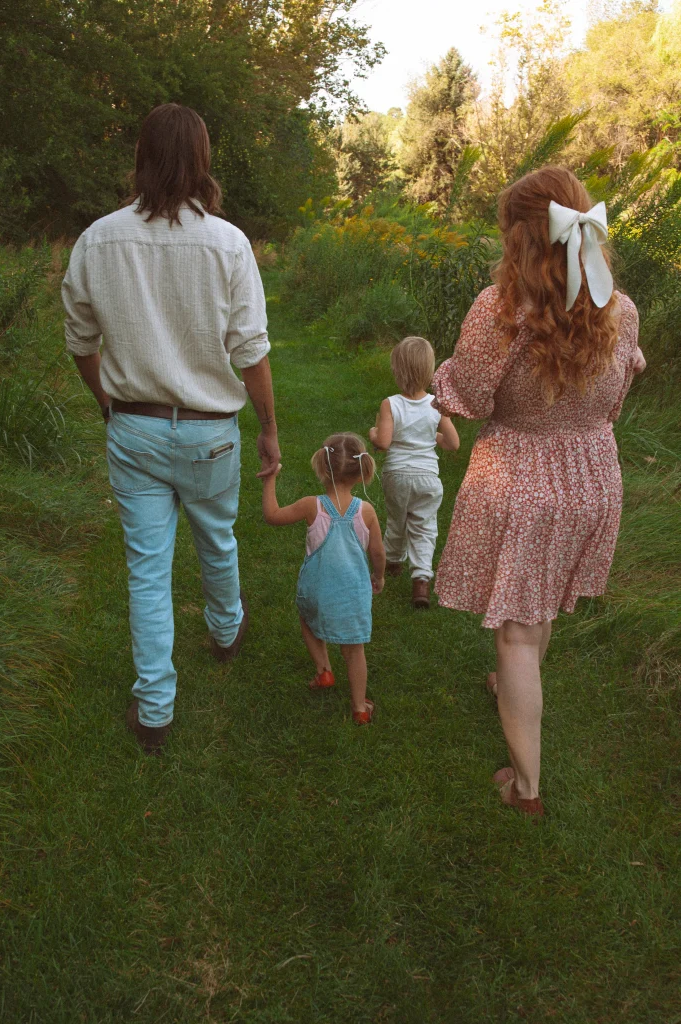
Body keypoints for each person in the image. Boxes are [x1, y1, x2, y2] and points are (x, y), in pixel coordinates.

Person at [61, 104, 281, 755]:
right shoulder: (228, 243)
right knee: (217, 540)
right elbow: (251, 352)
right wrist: (267, 427)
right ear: (201, 160)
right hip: (213, 431)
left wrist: (107, 400)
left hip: (134, 430)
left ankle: (154, 707)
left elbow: (79, 340)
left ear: (142, 158)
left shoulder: (97, 239)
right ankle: (224, 629)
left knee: (147, 570)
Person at [432, 166, 646, 817]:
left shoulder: (499, 314)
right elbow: (614, 401)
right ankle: (510, 681)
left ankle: (525, 787)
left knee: (518, 634)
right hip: (590, 477)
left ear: (519, 239)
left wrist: (440, 377)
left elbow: (466, 398)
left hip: (522, 481)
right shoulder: (620, 308)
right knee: (540, 605)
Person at [262, 433, 386, 723]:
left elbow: (273, 515)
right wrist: (378, 576)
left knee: (308, 618)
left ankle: (323, 671)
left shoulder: (311, 506)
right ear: (360, 473)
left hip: (316, 591)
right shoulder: (366, 511)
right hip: (353, 595)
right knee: (354, 651)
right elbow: (379, 553)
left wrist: (270, 479)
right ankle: (359, 708)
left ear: (322, 467)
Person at [369, 336, 459, 610]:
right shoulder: (436, 404)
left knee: (397, 520)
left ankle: (393, 561)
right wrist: (436, 437)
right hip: (428, 478)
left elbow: (383, 443)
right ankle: (421, 579)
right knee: (424, 527)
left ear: (398, 371)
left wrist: (373, 433)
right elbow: (453, 444)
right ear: (429, 371)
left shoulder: (390, 404)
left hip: (397, 475)